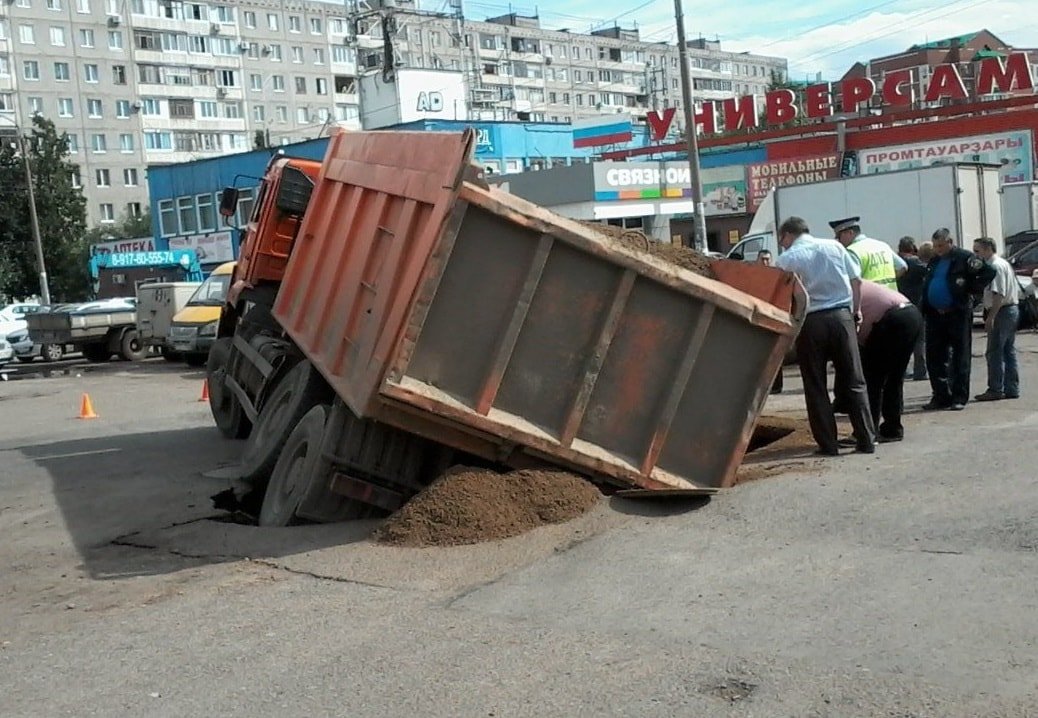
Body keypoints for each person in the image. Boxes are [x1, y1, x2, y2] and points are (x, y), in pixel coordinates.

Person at [775, 216, 875, 455]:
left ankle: (829, 445)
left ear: (789, 235)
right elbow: (856, 280)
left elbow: (781, 295)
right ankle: (867, 439)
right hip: (841, 317)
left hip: (810, 323)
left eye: (783, 239)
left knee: (815, 384)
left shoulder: (786, 259)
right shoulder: (835, 247)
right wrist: (856, 310)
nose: (783, 244)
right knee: (854, 380)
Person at [920, 228, 995, 411]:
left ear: (950, 241)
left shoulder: (964, 257)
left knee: (960, 356)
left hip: (957, 313)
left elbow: (988, 272)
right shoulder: (935, 260)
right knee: (935, 356)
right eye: (936, 246)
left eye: (941, 245)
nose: (938, 249)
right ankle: (940, 395)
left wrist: (969, 291)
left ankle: (959, 396)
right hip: (935, 315)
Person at [857, 280, 923, 442]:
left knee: (873, 379)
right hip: (910, 313)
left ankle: (868, 430)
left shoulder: (844, 290)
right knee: (894, 377)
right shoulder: (857, 283)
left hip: (890, 319)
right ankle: (892, 428)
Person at [972, 237, 1020, 401]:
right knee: (1008, 350)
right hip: (1009, 310)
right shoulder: (1002, 263)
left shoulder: (995, 266)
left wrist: (991, 317)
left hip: (1002, 311)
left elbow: (998, 294)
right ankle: (1011, 388)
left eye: (977, 251)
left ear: (987, 249)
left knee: (995, 351)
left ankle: (995, 388)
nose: (976, 255)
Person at [830, 216, 908, 289]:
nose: (839, 241)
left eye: (839, 237)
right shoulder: (882, 245)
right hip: (892, 298)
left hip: (870, 301)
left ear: (850, 232)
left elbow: (853, 280)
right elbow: (902, 267)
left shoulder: (852, 251)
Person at [897, 236, 929, 380]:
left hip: (899, 304)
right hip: (916, 304)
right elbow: (929, 271)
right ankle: (920, 370)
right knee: (919, 340)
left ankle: (902, 370)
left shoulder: (896, 261)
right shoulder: (915, 262)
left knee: (901, 341)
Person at [758, 250, 781, 392]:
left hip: (774, 318)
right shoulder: (755, 276)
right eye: (762, 259)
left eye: (767, 259)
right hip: (760, 317)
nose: (765, 262)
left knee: (776, 353)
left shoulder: (777, 276)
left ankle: (776, 386)